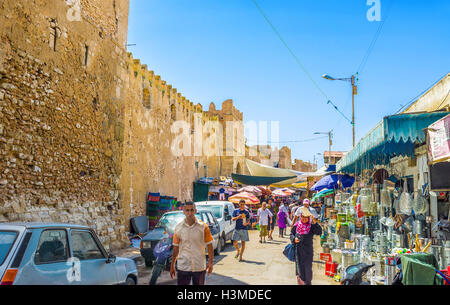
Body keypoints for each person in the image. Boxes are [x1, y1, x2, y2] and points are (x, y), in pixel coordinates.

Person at [170, 202, 214, 285]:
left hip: (199, 266)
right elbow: (176, 247)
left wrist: (210, 262)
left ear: (195, 211)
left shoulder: (203, 227)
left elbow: (209, 245)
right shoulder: (178, 228)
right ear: (183, 211)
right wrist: (172, 264)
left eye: (192, 210)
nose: (189, 213)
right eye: (187, 210)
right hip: (183, 266)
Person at [290, 207, 322, 285]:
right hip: (298, 251)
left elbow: (319, 232)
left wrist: (315, 222)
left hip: (308, 251)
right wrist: (294, 239)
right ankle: (301, 282)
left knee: (308, 268)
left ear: (308, 218)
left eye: (306, 218)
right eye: (303, 217)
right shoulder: (297, 225)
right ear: (300, 217)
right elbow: (291, 234)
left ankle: (307, 283)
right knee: (300, 269)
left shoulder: (311, 227)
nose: (304, 219)